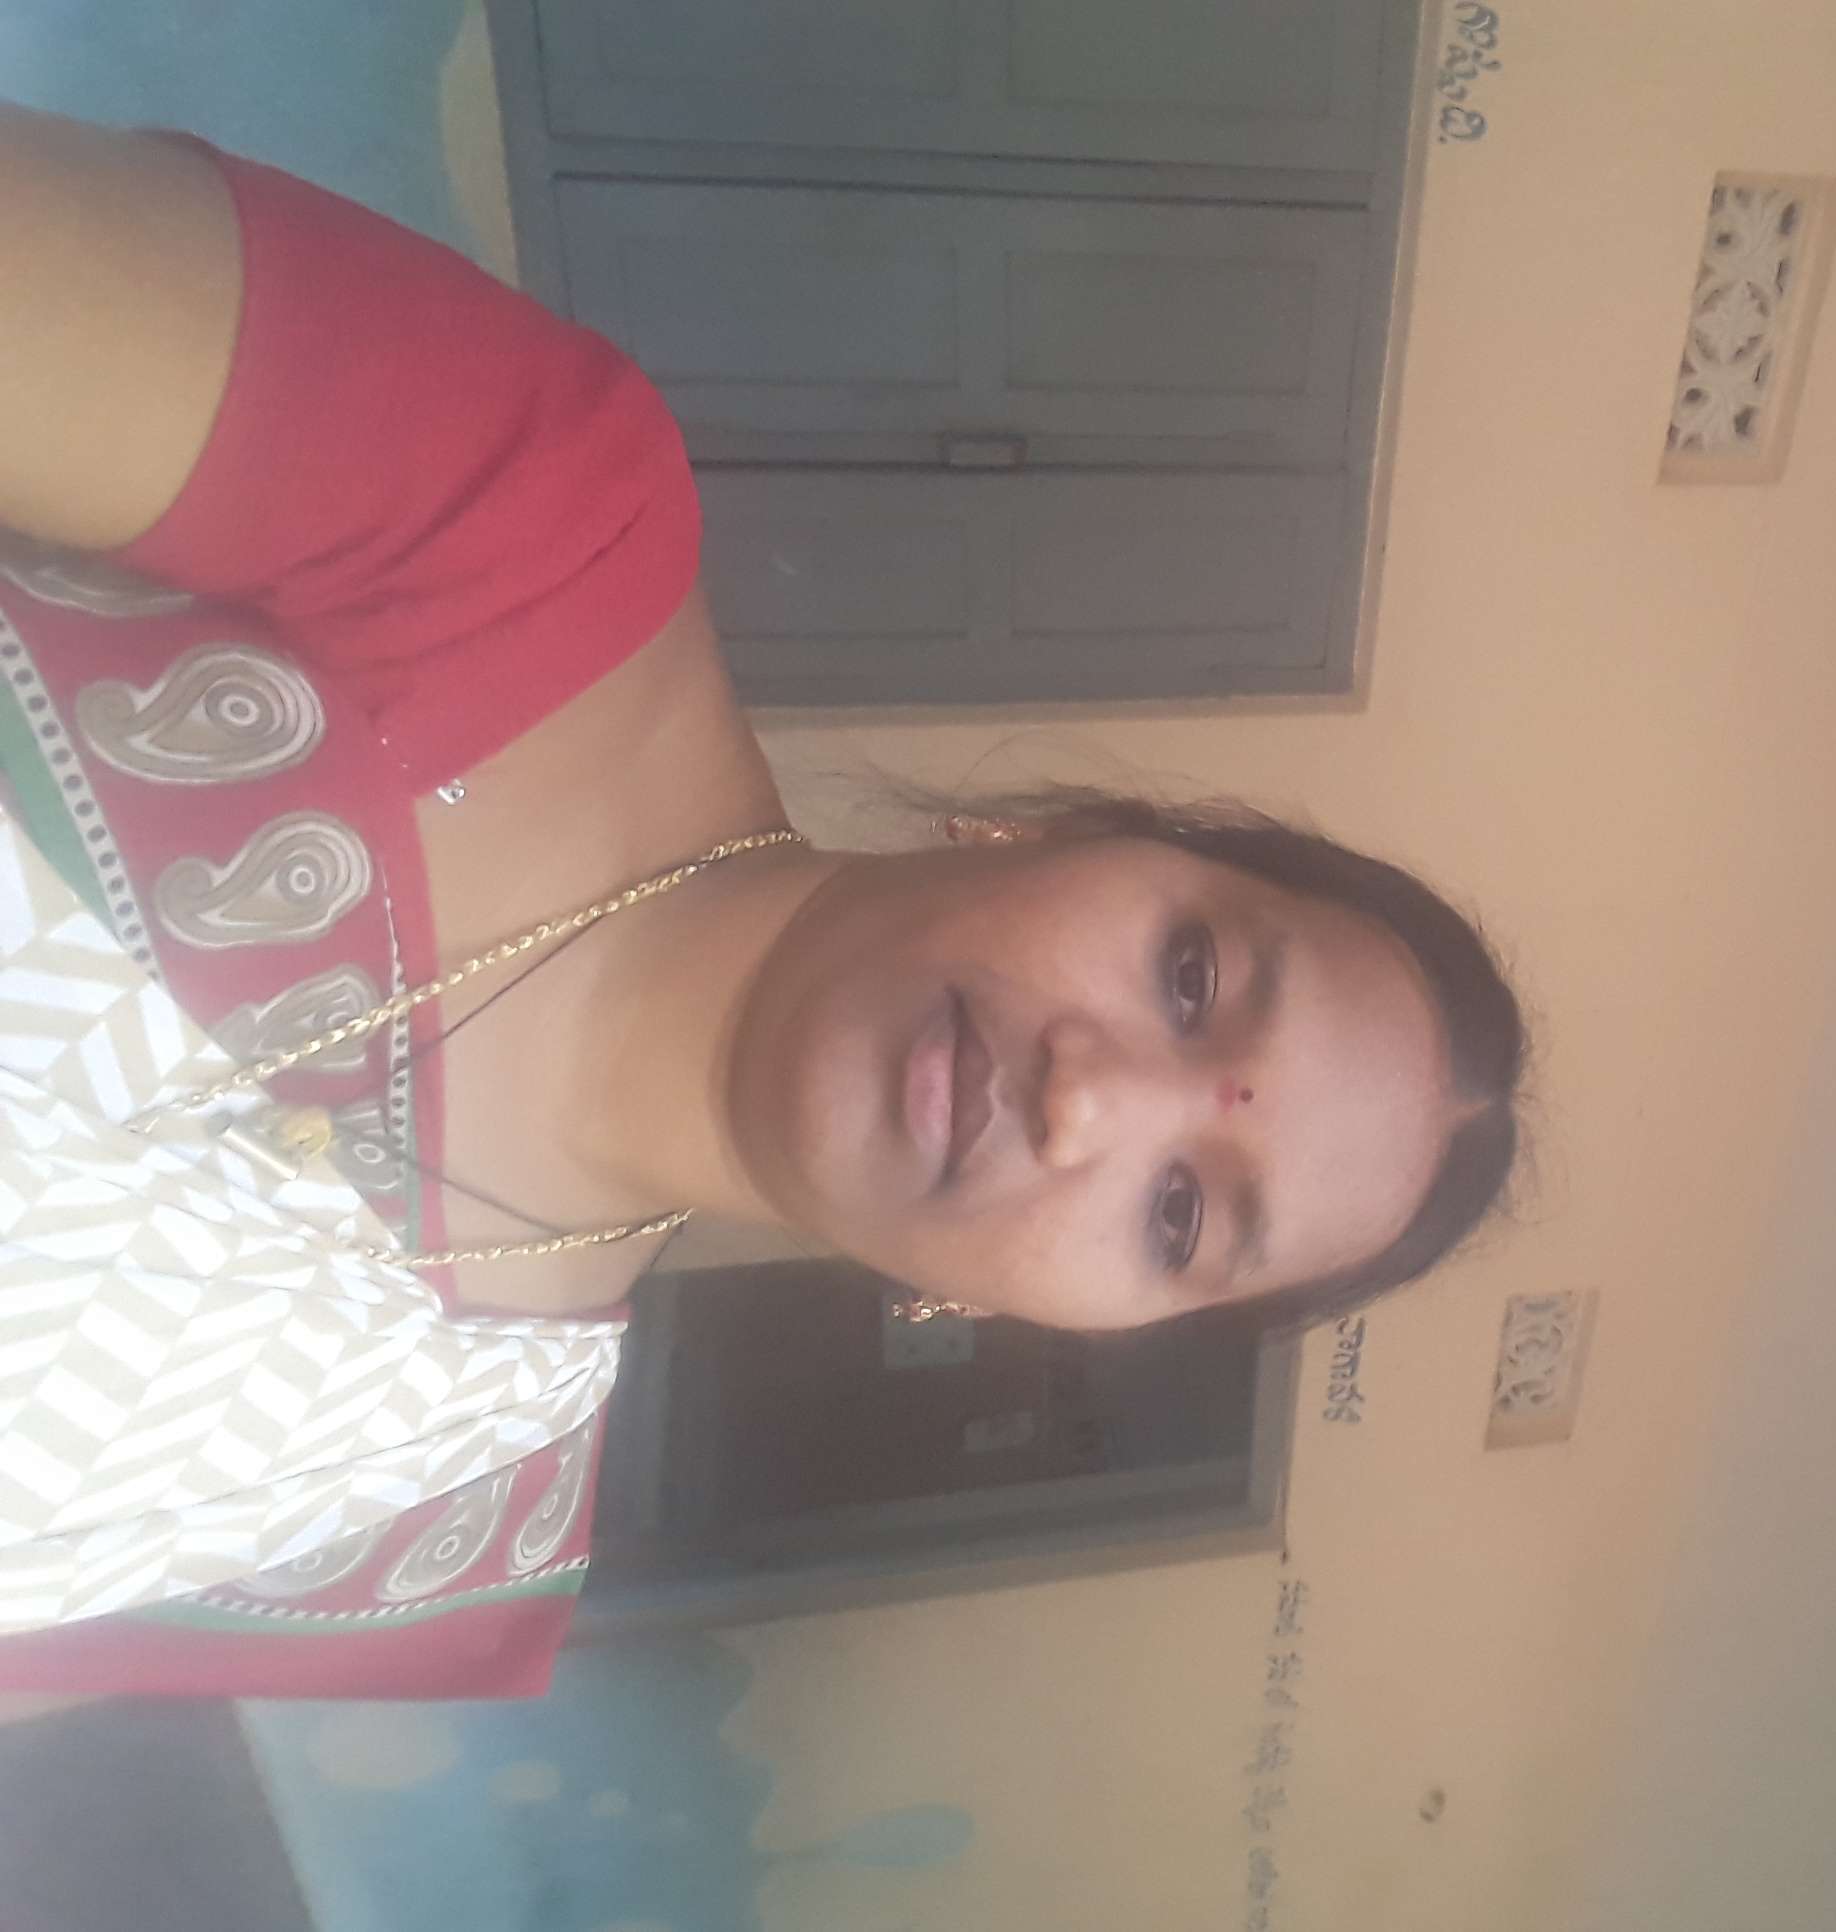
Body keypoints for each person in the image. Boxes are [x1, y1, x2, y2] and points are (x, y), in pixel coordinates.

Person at [0, 108, 1525, 1698]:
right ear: (1056, 832)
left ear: (1046, 1318)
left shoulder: (434, 1543)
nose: (1088, 1101)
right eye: (1194, 977)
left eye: (1179, 1216)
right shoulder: (516, 515)